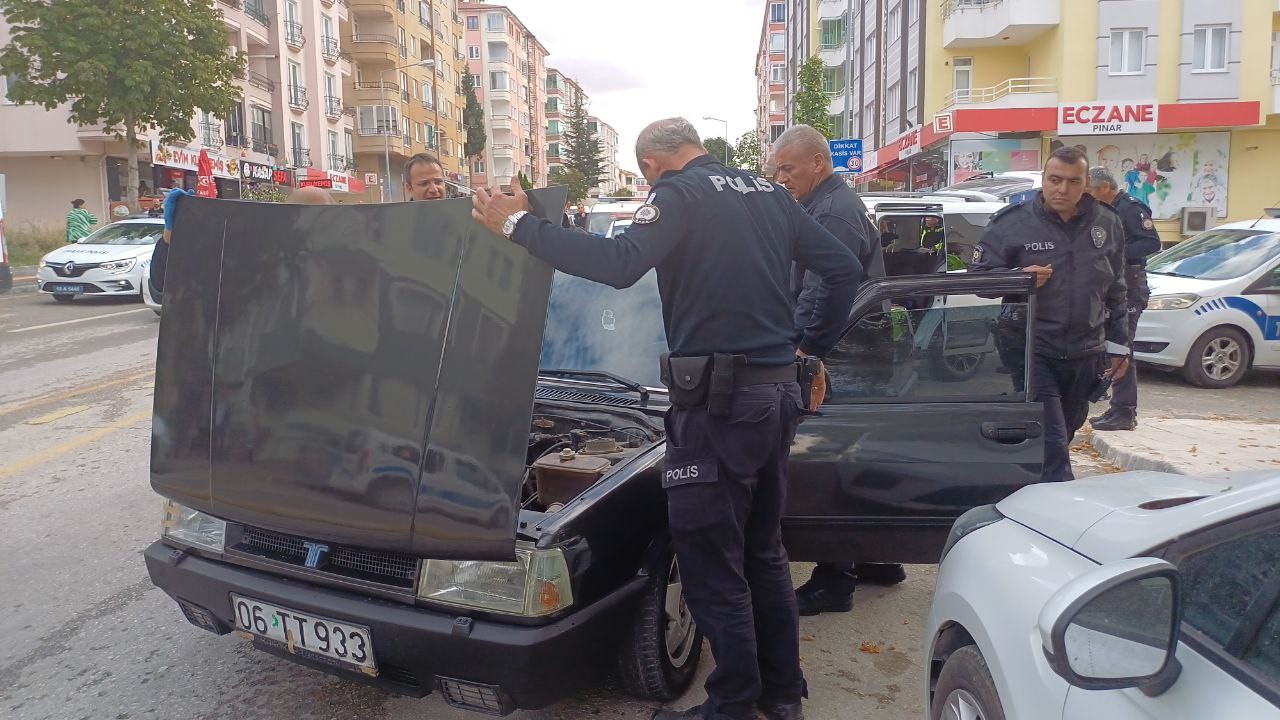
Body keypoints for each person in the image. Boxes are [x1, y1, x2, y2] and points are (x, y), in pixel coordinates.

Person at [471, 117, 863, 720]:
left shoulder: (679, 194)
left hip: (719, 407)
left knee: (711, 563)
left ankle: (732, 703)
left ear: (652, 165)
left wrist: (521, 226)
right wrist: (807, 347)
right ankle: (782, 696)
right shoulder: (767, 194)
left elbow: (620, 263)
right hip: (773, 397)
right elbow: (843, 269)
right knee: (762, 553)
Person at [769, 124, 903, 616]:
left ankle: (834, 579)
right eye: (777, 169)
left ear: (818, 164)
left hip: (842, 350)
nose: (781, 177)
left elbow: (825, 286)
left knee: (830, 463)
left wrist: (804, 349)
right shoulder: (826, 204)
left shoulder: (831, 210)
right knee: (860, 455)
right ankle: (878, 558)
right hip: (857, 346)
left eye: (788, 168)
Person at [968, 146, 1130, 484]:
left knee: (1064, 433)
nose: (1063, 189)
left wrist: (1119, 344)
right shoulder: (1012, 223)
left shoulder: (1108, 222)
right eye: (1055, 180)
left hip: (1086, 352)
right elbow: (978, 280)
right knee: (1052, 439)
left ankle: (1026, 486)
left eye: (1073, 181)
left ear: (1086, 184)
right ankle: (1058, 510)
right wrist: (1019, 278)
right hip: (1031, 348)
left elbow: (1117, 288)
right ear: (1043, 180)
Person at [1085, 166, 1161, 432]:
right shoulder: (1102, 211)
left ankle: (1125, 412)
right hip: (1111, 285)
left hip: (1130, 284)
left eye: (1090, 191)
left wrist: (1113, 252)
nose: (1088, 197)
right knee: (1109, 346)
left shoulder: (1129, 208)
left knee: (1121, 347)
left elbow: (1151, 243)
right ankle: (1116, 407)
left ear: (1105, 187)